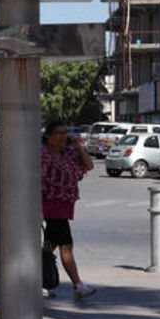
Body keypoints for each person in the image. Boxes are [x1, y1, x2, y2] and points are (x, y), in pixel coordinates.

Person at [41, 120, 96, 300]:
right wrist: (39, 209)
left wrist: (78, 146)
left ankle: (37, 282)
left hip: (64, 205)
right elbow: (38, 183)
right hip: (51, 206)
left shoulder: (69, 153)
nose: (63, 136)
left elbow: (89, 165)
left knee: (48, 247)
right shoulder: (44, 156)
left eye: (65, 132)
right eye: (58, 133)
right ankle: (78, 285)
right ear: (48, 137)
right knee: (66, 245)